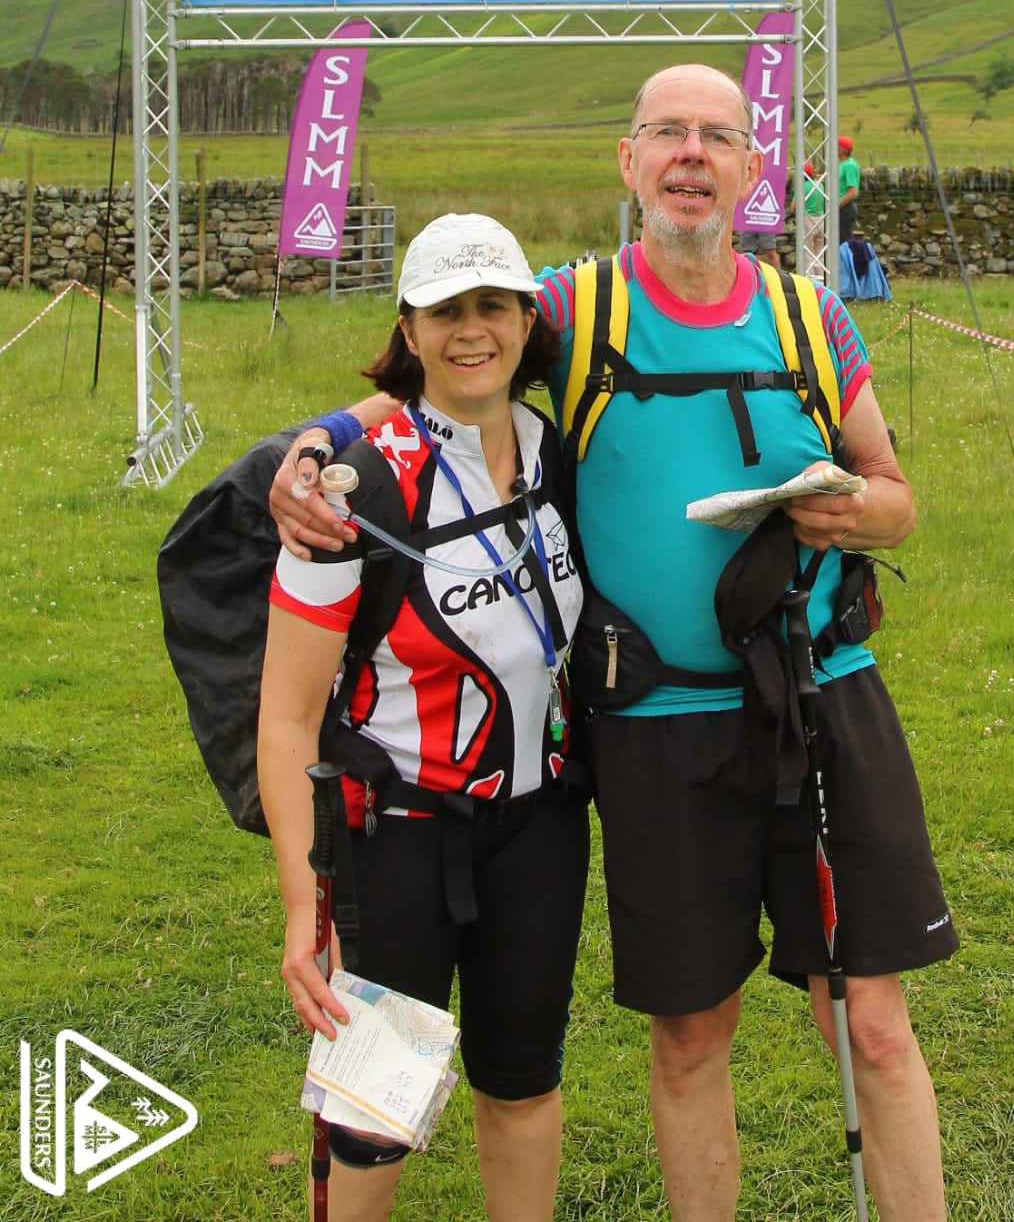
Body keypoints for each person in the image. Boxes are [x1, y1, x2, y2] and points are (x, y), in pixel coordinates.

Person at [272, 70, 956, 1222]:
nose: (691, 154)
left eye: (717, 135)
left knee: (874, 1024)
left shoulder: (811, 316)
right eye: (666, 133)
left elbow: (894, 492)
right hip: (657, 725)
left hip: (822, 696)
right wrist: (311, 451)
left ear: (752, 168)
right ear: (627, 161)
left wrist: (849, 510)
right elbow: (445, 366)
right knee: (691, 1033)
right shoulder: (571, 308)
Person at [258, 212, 587, 1222]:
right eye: (446, 311)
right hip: (392, 839)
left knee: (523, 1082)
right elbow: (285, 716)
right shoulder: (351, 491)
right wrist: (304, 902)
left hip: (539, 825)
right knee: (374, 1116)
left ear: (527, 319)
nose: (472, 329)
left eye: (493, 305)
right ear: (409, 328)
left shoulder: (556, 451)